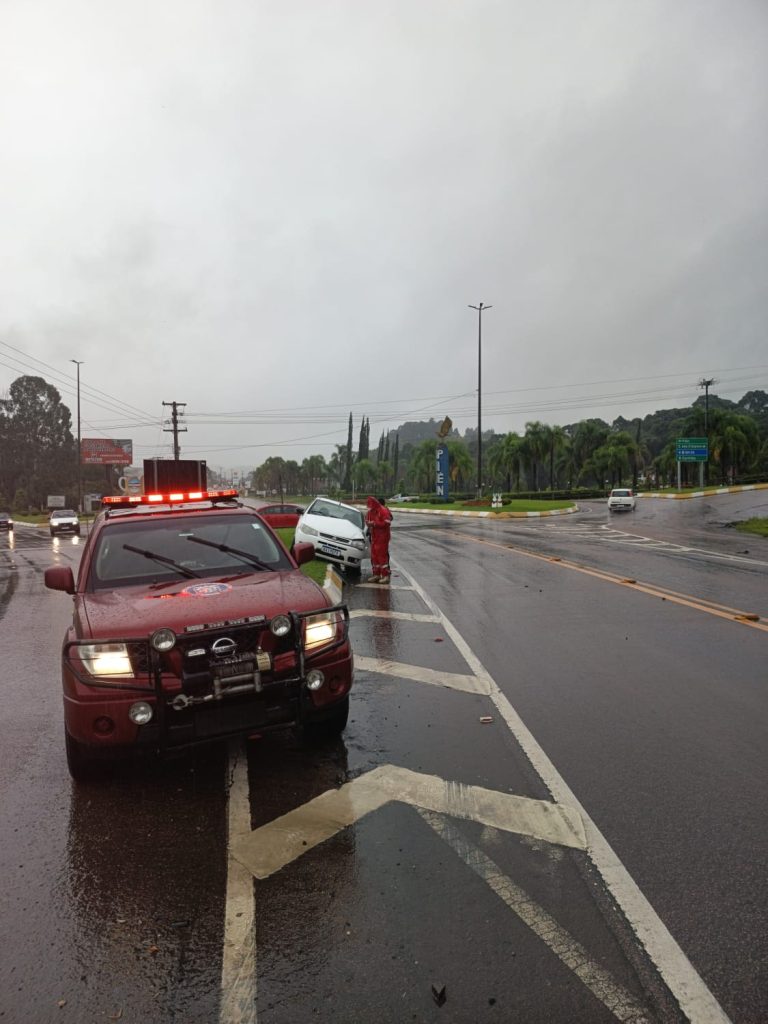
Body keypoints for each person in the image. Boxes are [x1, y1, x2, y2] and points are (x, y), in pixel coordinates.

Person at [366, 495, 393, 584]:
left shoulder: (383, 510)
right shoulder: (371, 511)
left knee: (382, 556)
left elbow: (387, 522)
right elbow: (367, 519)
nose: (370, 507)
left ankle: (385, 576)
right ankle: (376, 574)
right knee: (374, 556)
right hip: (374, 536)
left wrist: (374, 524)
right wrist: (368, 523)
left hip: (383, 537)